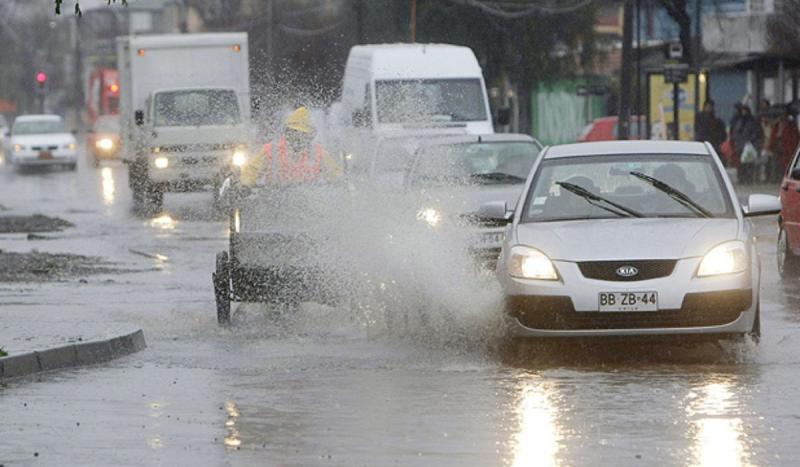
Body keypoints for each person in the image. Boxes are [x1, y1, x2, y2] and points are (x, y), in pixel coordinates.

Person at [241, 106, 343, 186]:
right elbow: (252, 171)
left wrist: (341, 182)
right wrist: (245, 183)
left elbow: (335, 172)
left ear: (309, 136)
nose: (297, 137)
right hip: (274, 203)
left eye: (302, 134)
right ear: (287, 132)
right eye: (294, 132)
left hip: (310, 204)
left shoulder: (318, 152)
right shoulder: (271, 150)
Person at [730, 104, 763, 184]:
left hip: (750, 146)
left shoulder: (753, 121)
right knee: (740, 164)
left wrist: (750, 141)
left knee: (749, 163)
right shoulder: (739, 121)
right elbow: (735, 132)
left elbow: (757, 133)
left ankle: (748, 179)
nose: (744, 113)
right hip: (740, 146)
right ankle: (742, 178)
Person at [767, 105, 800, 182]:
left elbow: (794, 137)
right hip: (778, 147)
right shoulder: (777, 125)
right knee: (777, 164)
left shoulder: (791, 125)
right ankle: (777, 178)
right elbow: (773, 136)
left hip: (788, 147)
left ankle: (784, 177)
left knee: (787, 164)